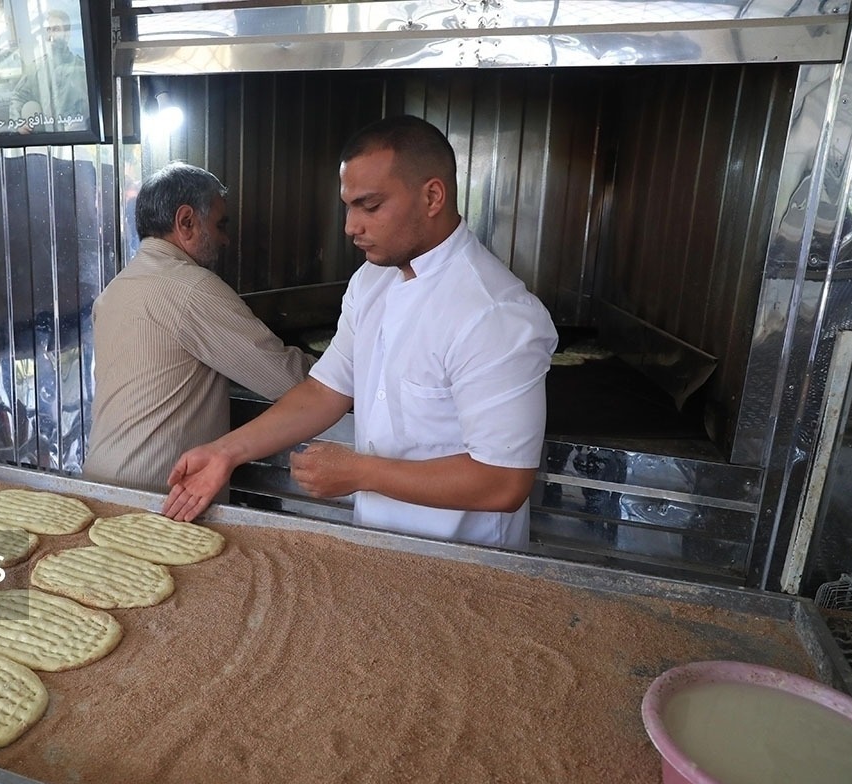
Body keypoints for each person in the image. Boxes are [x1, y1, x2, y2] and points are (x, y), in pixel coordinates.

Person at [162, 115, 558, 550]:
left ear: (432, 196)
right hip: (374, 546)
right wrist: (226, 452)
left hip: (465, 565)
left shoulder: (494, 313)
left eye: (369, 206)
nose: (351, 226)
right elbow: (324, 392)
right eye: (348, 206)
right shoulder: (372, 281)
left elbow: (504, 482)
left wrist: (361, 472)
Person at [82, 162, 314, 495]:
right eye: (220, 225)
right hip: (159, 496)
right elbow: (290, 381)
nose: (225, 239)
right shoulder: (193, 288)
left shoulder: (114, 290)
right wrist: (349, 368)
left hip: (101, 482)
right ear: (186, 221)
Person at [10, 8, 90, 131]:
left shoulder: (80, 69)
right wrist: (18, 125)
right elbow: (18, 96)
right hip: (45, 137)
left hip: (73, 137)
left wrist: (83, 123)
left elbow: (90, 107)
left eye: (56, 29)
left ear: (67, 34)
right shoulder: (36, 68)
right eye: (49, 30)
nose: (51, 35)